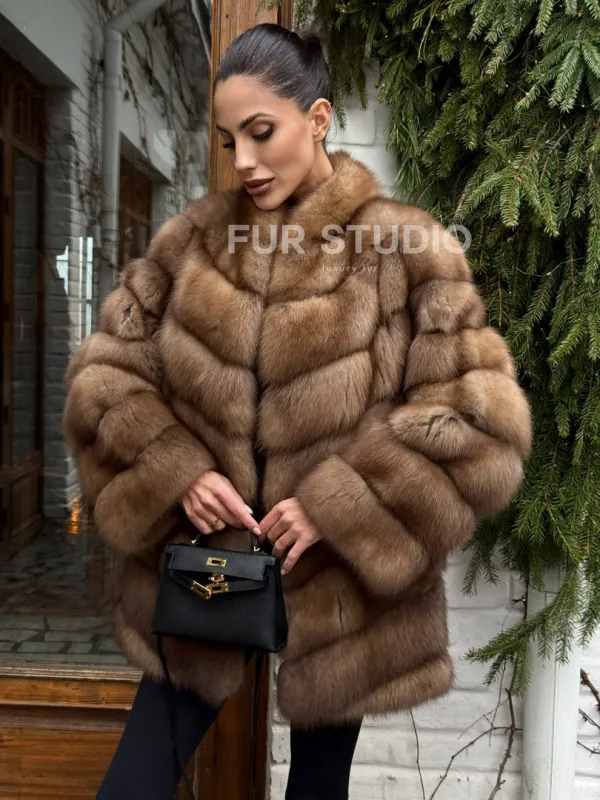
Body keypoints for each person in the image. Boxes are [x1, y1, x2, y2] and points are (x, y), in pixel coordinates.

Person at [63, 22, 532, 800]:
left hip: (341, 585)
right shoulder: (193, 243)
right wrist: (177, 468)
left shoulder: (407, 250)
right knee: (134, 782)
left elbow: (478, 419)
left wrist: (338, 502)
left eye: (261, 132)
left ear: (317, 119)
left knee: (318, 786)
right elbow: (103, 380)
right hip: (207, 570)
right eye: (229, 141)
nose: (243, 161)